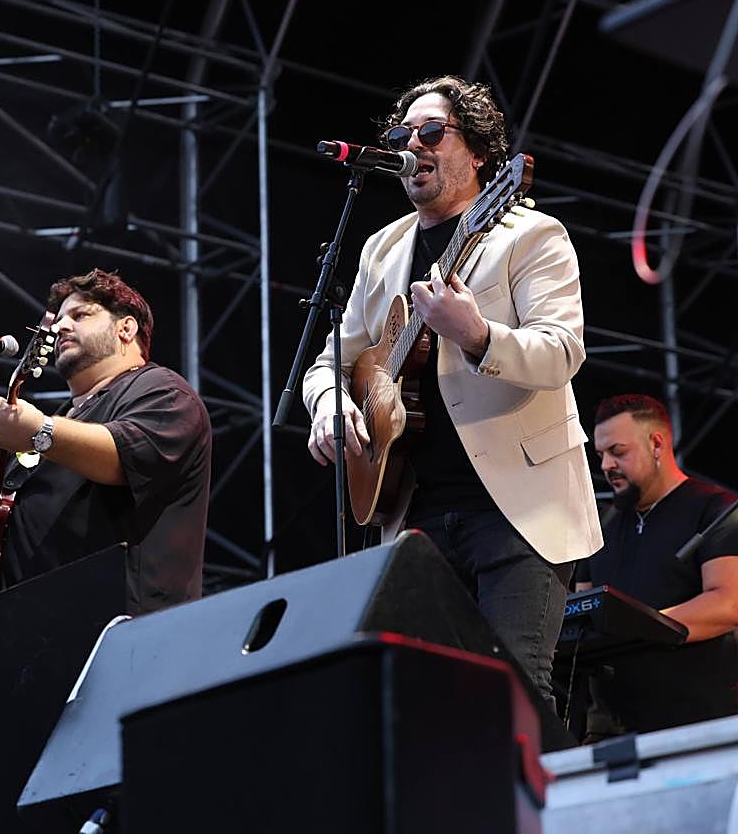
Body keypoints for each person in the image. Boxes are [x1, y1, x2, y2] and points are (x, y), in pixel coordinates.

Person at [302, 75, 601, 705]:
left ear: (480, 154)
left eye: (431, 131)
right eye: (401, 134)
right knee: (428, 702)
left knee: (516, 691)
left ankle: (542, 805)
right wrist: (330, 405)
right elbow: (333, 358)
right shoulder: (382, 249)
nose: (413, 144)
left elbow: (563, 352)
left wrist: (478, 335)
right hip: (415, 510)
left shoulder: (530, 235)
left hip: (518, 509)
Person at [0, 269, 210, 614]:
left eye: (80, 314)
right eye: (58, 320)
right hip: (32, 634)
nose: (59, 327)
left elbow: (120, 456)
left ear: (126, 328)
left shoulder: (163, 391)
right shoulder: (61, 419)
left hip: (122, 628)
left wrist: (39, 430)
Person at [573, 394, 738, 734]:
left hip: (702, 722)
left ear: (657, 443)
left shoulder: (716, 509)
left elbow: (728, 603)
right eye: (601, 455)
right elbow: (583, 617)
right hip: (612, 727)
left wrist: (633, 627)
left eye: (618, 452)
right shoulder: (600, 527)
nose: (605, 466)